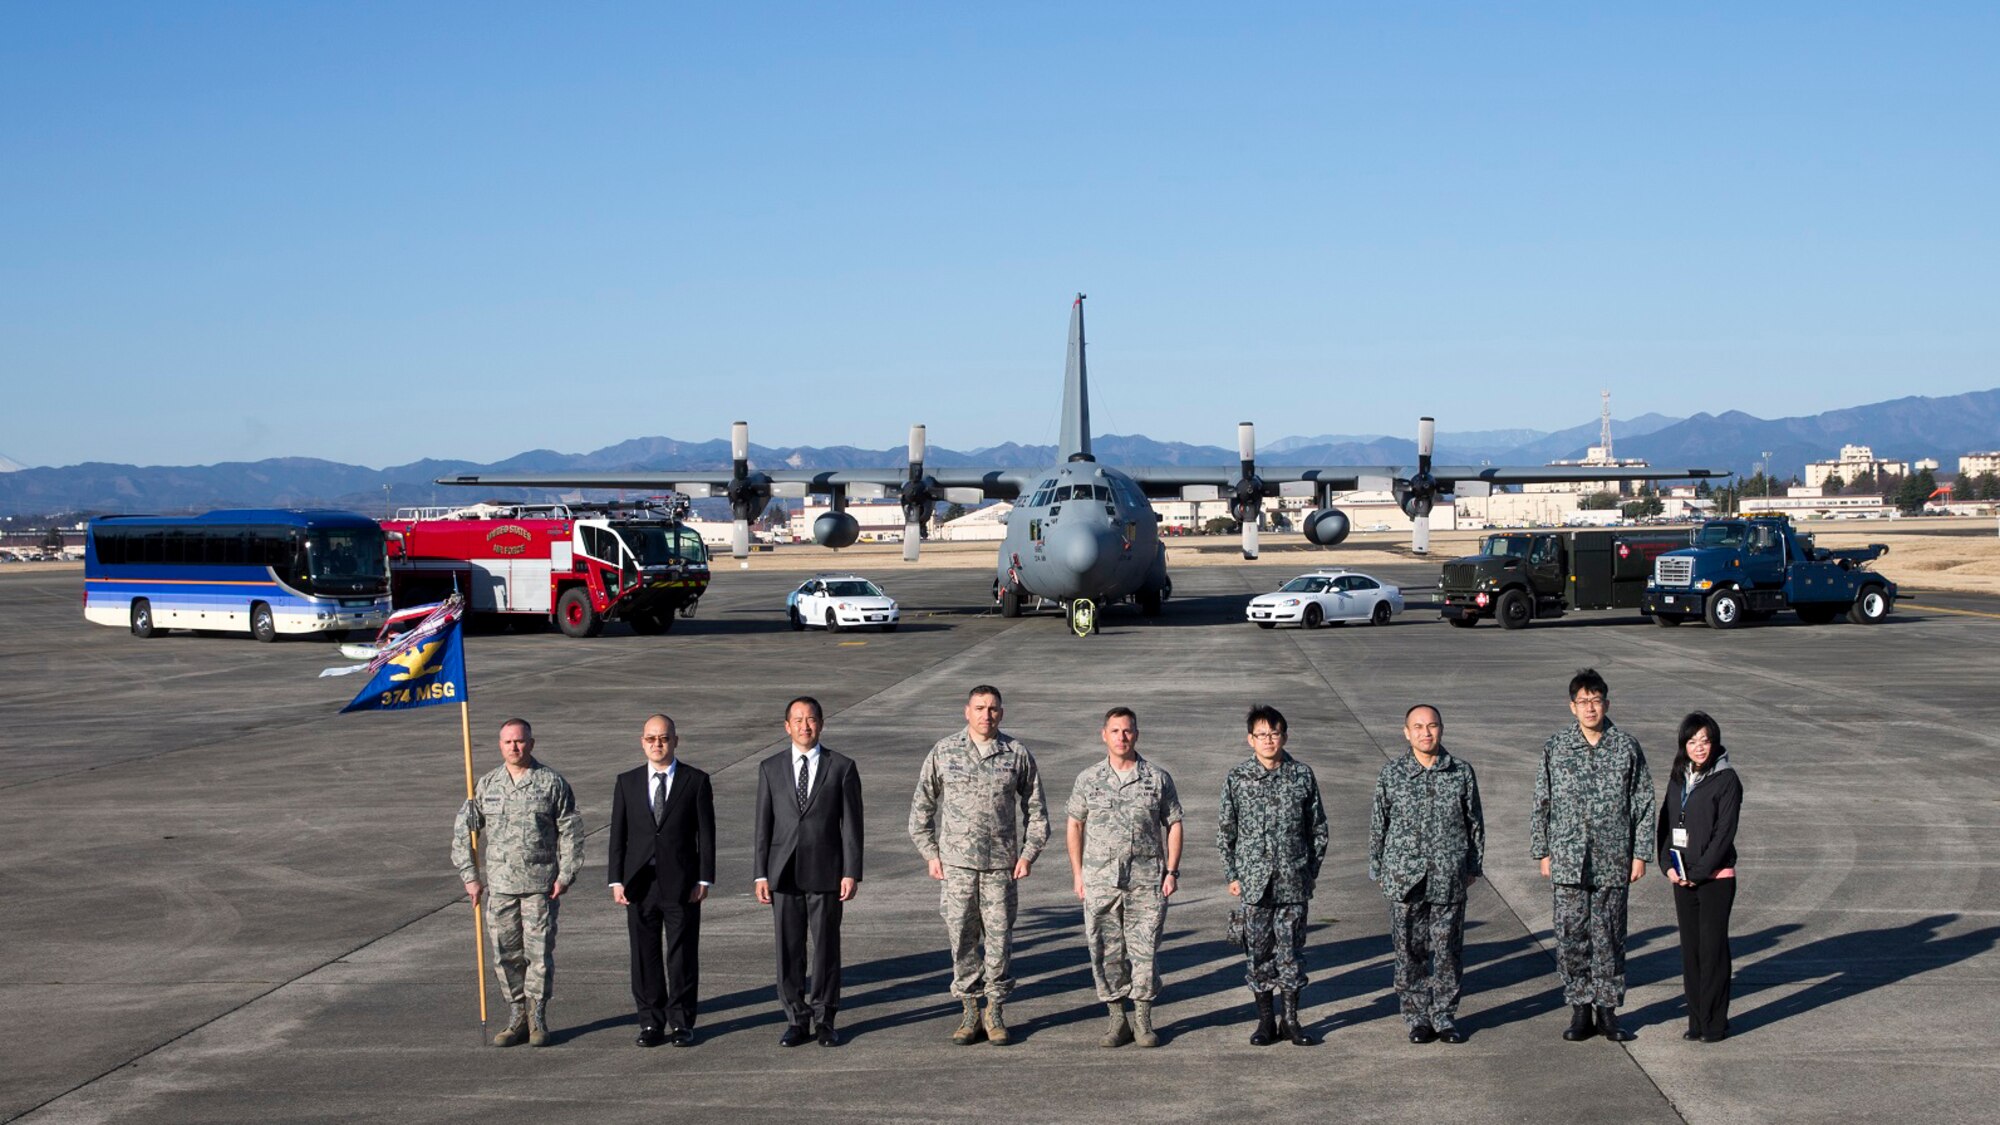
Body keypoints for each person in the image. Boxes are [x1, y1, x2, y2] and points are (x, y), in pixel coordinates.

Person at [909, 684, 1050, 1046]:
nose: (986, 715)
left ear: (1001, 713)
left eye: (993, 709)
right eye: (980, 707)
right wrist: (930, 853)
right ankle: (970, 1009)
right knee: (961, 938)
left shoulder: (1016, 753)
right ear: (966, 711)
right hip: (956, 867)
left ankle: (996, 1009)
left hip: (1001, 868)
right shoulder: (945, 751)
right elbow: (921, 808)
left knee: (1000, 940)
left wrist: (1027, 854)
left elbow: (1036, 812)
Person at [1531, 669, 1655, 1043]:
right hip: (1568, 857)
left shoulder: (1626, 747)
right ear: (1572, 707)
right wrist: (1543, 850)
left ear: (1607, 704)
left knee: (1610, 936)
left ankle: (1608, 1011)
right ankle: (1580, 1008)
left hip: (1613, 858)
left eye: (1596, 700)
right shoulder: (1556, 747)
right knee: (1571, 936)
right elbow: (1542, 801)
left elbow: (1643, 802)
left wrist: (1640, 854)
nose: (1590, 707)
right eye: (1583, 701)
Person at [451, 718, 584, 1048]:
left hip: (540, 885)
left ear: (532, 743)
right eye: (508, 742)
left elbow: (571, 831)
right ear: (500, 745)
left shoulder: (551, 783)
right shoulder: (485, 785)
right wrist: (470, 877)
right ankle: (516, 1016)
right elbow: (463, 834)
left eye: (520, 741)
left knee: (538, 955)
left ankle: (538, 1016)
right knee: (505, 954)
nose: (514, 747)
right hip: (500, 887)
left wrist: (566, 875)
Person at [1064, 707, 1184, 1049]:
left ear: (1136, 734)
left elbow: (1173, 823)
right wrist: (1078, 874)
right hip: (1100, 880)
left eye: (1128, 731)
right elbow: (1075, 824)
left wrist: (1172, 871)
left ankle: (1144, 1019)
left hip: (1146, 881)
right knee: (1106, 951)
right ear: (1104, 734)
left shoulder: (1157, 778)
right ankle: (1117, 1018)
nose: (1122, 737)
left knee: (1144, 950)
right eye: (1115, 731)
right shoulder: (1088, 778)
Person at [1369, 704, 1484, 1044]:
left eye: (1432, 726)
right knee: (1409, 951)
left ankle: (1445, 1016)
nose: (1425, 733)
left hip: (1449, 875)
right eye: (1418, 727)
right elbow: (1379, 825)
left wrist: (1473, 866)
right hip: (1405, 878)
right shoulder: (1392, 774)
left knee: (1448, 951)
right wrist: (1379, 868)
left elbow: (1474, 822)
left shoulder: (1460, 772)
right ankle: (1417, 1017)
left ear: (1441, 729)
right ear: (1406, 732)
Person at [754, 696, 864, 1048]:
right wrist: (760, 874)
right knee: (788, 949)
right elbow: (763, 825)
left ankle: (826, 1018)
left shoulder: (842, 767)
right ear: (787, 726)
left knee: (826, 948)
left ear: (821, 723)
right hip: (782, 872)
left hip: (827, 871)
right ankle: (795, 1018)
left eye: (811, 719)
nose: (805, 725)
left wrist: (851, 871)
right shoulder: (770, 768)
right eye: (798, 720)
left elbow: (851, 825)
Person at [1216, 704, 1329, 1047]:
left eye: (1274, 733)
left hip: (1293, 882)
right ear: (1250, 739)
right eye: (1261, 735)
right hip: (1255, 884)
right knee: (1259, 954)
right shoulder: (1237, 778)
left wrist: (1308, 872)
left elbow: (1318, 830)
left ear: (1284, 736)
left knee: (1291, 953)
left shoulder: (1302, 775)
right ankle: (1265, 1020)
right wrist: (1233, 874)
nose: (1268, 740)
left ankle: (1291, 1020)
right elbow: (1226, 832)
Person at [607, 714, 716, 1048]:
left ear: (675, 741)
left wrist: (704, 878)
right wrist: (616, 880)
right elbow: (618, 835)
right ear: (642, 742)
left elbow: (706, 834)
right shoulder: (627, 782)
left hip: (682, 883)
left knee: (682, 954)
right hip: (639, 883)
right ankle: (651, 1022)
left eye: (664, 738)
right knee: (644, 955)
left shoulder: (694, 781)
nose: (658, 744)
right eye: (651, 739)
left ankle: (682, 1022)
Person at [1656, 711, 1741, 1043]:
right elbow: (1665, 824)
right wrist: (1668, 867)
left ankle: (1715, 1022)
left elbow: (1724, 833)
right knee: (1690, 951)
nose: (1699, 747)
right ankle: (1696, 1020)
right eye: (1692, 741)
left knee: (1713, 950)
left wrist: (1700, 871)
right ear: (1684, 745)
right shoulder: (1679, 777)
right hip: (1682, 878)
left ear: (1715, 742)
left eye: (1705, 741)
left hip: (1716, 878)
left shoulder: (1727, 779)